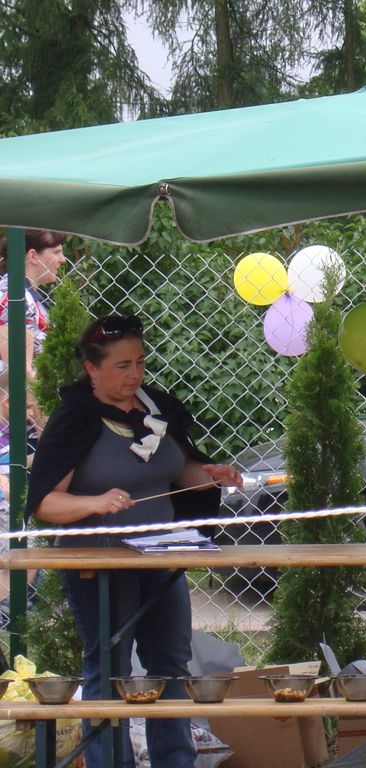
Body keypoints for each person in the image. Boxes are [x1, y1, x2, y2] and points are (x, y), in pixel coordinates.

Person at [27, 314, 243, 768]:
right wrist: (94, 502)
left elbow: (178, 471)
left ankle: (176, 761)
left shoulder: (156, 408)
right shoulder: (74, 419)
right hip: (100, 564)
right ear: (92, 369)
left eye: (140, 362)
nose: (134, 375)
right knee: (111, 667)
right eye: (122, 366)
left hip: (164, 553)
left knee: (171, 663)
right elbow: (46, 503)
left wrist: (209, 475)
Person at [0, 228, 67, 430]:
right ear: (32, 256)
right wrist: (48, 430)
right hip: (19, 427)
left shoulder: (24, 294)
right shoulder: (14, 296)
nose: (63, 259)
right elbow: (21, 370)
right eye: (56, 252)